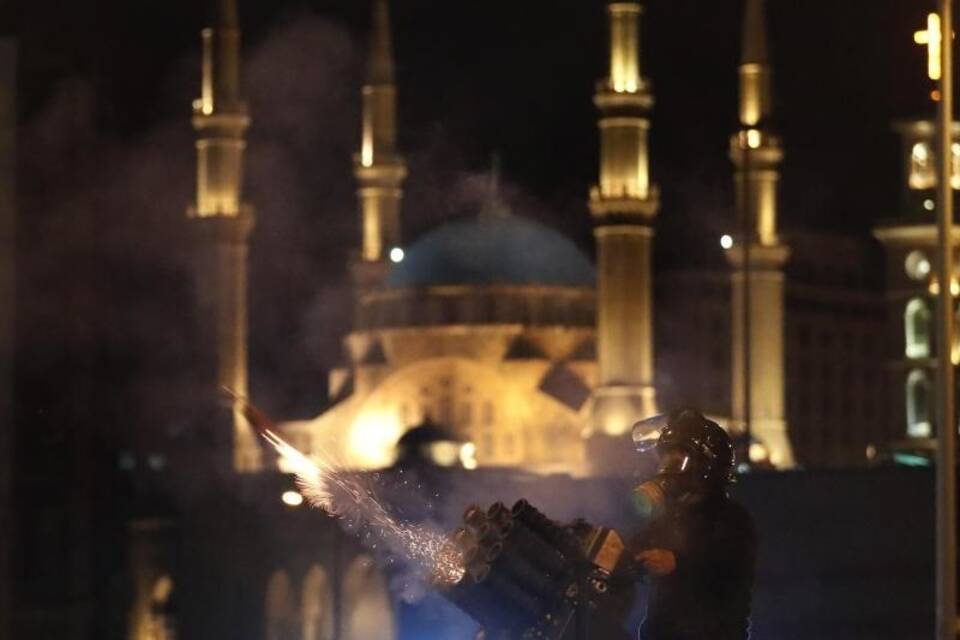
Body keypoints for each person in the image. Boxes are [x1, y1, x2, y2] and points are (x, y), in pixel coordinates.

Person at [630, 409, 757, 640]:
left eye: (678, 459)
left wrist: (678, 563)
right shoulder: (668, 516)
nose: (667, 468)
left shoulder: (731, 519)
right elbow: (636, 549)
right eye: (666, 458)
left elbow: (725, 569)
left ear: (706, 466)